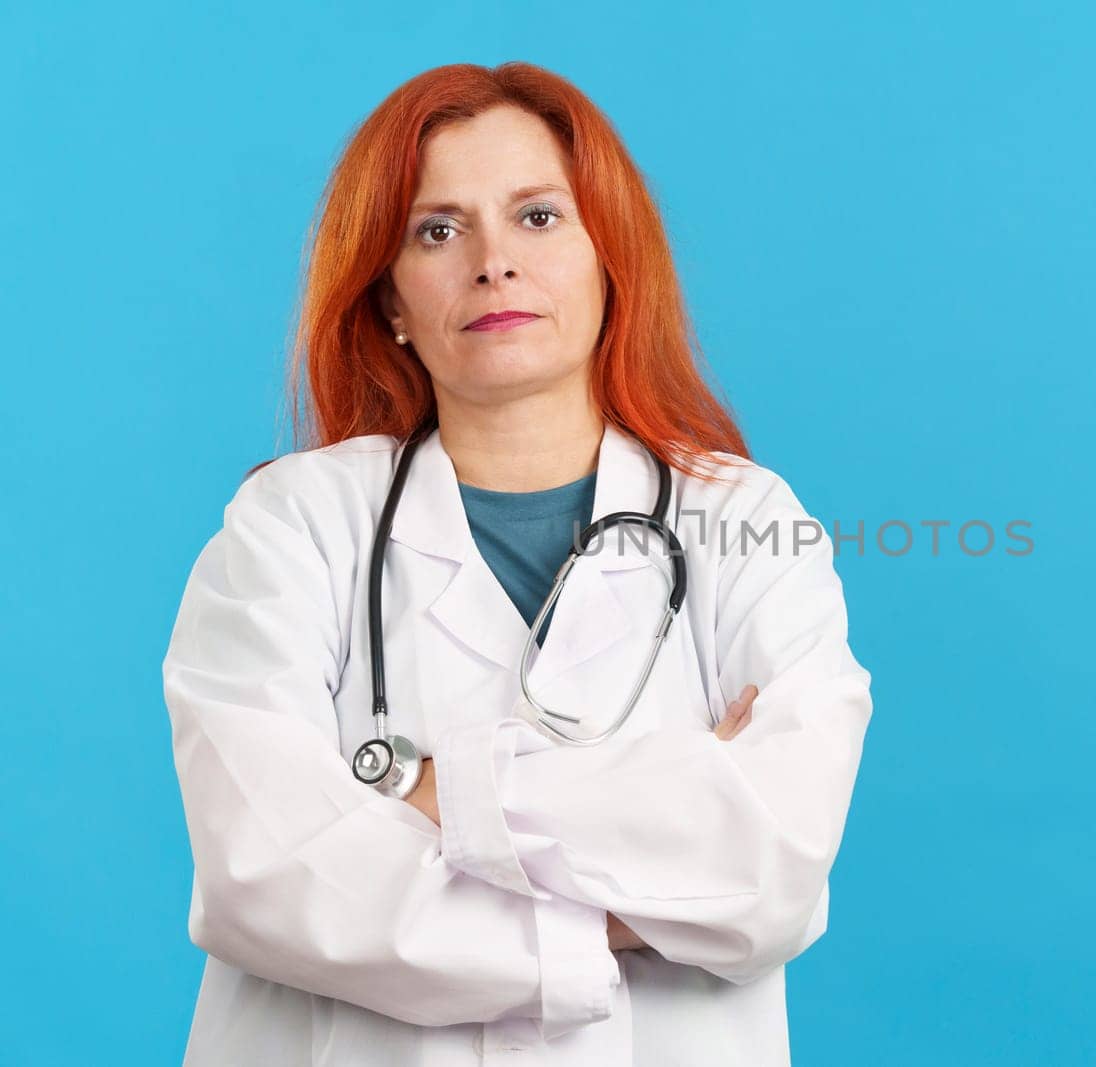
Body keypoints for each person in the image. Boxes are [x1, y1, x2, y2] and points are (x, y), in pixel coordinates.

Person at [162, 61, 873, 1066]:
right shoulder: (292, 524)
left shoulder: (744, 519)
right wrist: (657, 853)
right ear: (391, 298)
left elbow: (770, 872)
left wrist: (416, 790)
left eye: (538, 217)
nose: (492, 263)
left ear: (608, 259)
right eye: (436, 230)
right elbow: (267, 876)